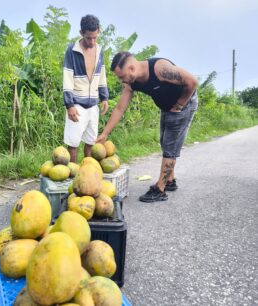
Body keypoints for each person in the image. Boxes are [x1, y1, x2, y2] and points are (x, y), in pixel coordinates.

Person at [97, 51, 198, 202]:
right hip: (167, 107)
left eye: (121, 76)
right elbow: (119, 109)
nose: (121, 80)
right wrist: (104, 133)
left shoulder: (159, 69)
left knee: (170, 146)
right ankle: (170, 180)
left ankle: (160, 189)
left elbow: (192, 81)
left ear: (131, 68)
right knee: (164, 141)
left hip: (183, 104)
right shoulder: (131, 83)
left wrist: (179, 105)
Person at [63, 14, 109, 163]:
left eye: (95, 37)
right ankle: (72, 175)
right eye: (89, 38)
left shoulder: (99, 50)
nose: (92, 41)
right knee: (73, 143)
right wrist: (69, 105)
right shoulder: (72, 51)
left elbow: (101, 74)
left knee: (90, 141)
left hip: (93, 104)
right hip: (77, 103)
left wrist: (104, 97)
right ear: (81, 33)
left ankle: (88, 172)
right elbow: (68, 78)